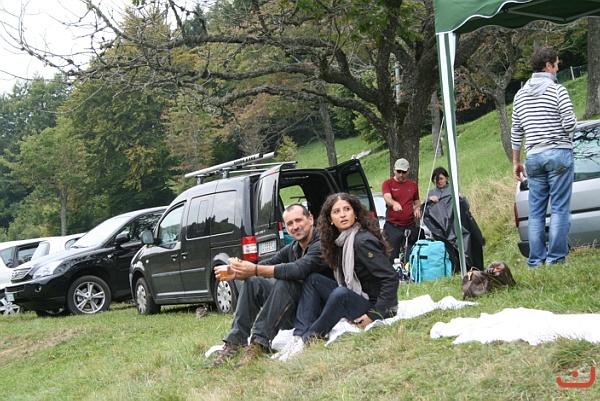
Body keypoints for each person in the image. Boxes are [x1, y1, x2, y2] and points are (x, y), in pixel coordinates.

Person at [273, 193, 399, 361]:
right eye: (336, 211)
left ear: (355, 213)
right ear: (330, 219)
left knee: (341, 294)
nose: (343, 215)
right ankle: (298, 335)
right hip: (356, 297)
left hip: (373, 305)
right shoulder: (339, 241)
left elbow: (390, 277)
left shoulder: (362, 241)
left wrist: (375, 314)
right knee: (313, 280)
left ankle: (308, 339)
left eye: (347, 209)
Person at [207, 203, 331, 368]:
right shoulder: (293, 248)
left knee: (286, 281)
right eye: (290, 223)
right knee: (254, 281)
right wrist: (238, 272)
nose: (295, 227)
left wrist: (255, 269)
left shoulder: (322, 244)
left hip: (318, 312)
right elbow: (267, 264)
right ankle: (235, 342)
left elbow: (298, 269)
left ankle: (258, 344)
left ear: (310, 219)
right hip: (294, 310)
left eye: (298, 220)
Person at [511, 47, 577, 268]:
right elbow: (570, 124)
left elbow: (516, 131)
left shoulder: (520, 95)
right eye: (556, 64)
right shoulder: (558, 90)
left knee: (536, 211)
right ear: (548, 65)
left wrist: (516, 161)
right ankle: (555, 259)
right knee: (559, 208)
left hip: (533, 156)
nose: (557, 68)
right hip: (558, 153)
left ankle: (536, 260)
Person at [382, 158, 422, 262]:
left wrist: (417, 208)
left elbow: (417, 202)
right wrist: (394, 203)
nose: (401, 174)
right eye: (398, 171)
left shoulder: (413, 185)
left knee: (410, 255)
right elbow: (387, 197)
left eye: (403, 172)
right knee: (391, 256)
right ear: (394, 170)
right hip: (393, 226)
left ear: (408, 171)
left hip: (409, 225)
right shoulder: (388, 183)